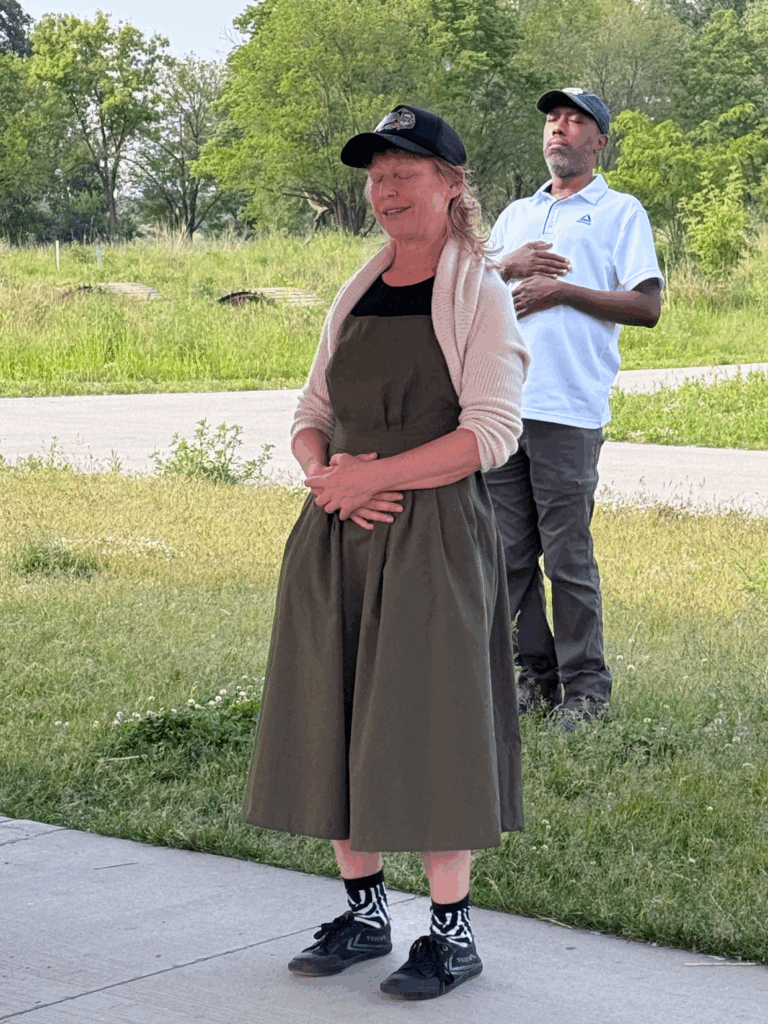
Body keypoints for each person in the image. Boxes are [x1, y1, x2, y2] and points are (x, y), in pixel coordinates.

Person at [243, 103, 528, 1000]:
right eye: (376, 176)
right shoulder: (356, 289)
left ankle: (452, 935)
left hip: (434, 538)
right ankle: (365, 914)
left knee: (432, 722)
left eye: (405, 173)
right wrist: (325, 477)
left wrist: (377, 476)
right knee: (332, 713)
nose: (386, 190)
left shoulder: (480, 293)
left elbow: (493, 433)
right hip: (338, 533)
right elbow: (310, 413)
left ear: (451, 185)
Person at [485, 88, 663, 728]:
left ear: (599, 141)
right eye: (553, 120)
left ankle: (586, 690)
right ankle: (534, 678)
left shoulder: (620, 212)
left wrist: (561, 291)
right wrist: (505, 266)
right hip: (501, 408)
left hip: (568, 410)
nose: (559, 128)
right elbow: (471, 291)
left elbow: (646, 305)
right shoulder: (516, 215)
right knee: (507, 556)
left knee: (567, 558)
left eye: (575, 120)